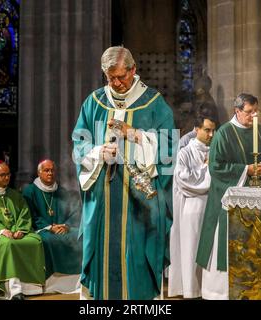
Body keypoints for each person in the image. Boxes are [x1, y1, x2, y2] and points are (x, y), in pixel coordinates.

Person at [72, 46, 175, 300]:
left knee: (136, 258)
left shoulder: (154, 103)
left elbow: (169, 149)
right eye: (111, 78)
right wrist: (98, 153)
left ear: (133, 70)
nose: (116, 83)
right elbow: (79, 143)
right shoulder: (94, 102)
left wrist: (138, 136)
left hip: (138, 203)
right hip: (104, 198)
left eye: (121, 76)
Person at [196, 93, 261, 300]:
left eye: (256, 111)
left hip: (256, 200)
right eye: (249, 112)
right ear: (237, 111)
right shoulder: (224, 133)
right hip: (226, 202)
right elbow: (216, 167)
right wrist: (247, 170)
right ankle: (219, 293)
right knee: (225, 245)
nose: (254, 116)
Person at [0, 160, 45, 300]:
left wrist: (21, 230)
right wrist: (1, 231)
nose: (6, 178)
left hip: (15, 233)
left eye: (8, 174)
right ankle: (14, 290)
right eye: (2, 175)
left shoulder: (15, 195)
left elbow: (24, 214)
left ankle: (31, 288)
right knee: (7, 244)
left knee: (35, 241)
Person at [168, 112, 216, 299]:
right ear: (196, 130)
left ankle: (209, 289)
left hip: (211, 207)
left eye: (213, 130)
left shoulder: (214, 151)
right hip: (192, 209)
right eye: (207, 130)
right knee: (191, 251)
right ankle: (191, 290)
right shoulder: (185, 152)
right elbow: (185, 181)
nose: (211, 134)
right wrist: (206, 170)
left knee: (210, 252)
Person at [22, 159, 82, 294]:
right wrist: (49, 227)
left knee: (78, 237)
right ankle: (51, 283)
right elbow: (30, 215)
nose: (50, 173)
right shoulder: (29, 192)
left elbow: (74, 212)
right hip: (41, 230)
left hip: (62, 229)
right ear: (39, 173)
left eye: (52, 170)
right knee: (47, 240)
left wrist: (66, 226)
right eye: (46, 170)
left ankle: (75, 281)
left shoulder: (62, 191)